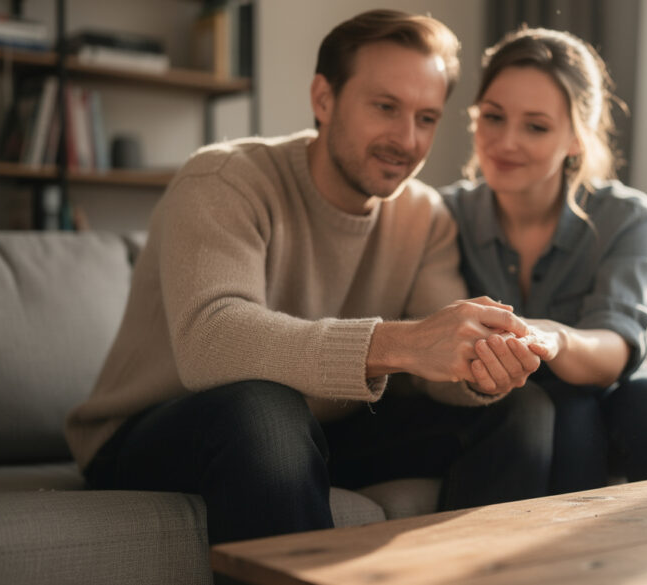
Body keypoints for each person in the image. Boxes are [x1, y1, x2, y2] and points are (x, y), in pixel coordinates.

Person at [64, 9, 552, 553]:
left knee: (519, 410)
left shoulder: (425, 216)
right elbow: (211, 340)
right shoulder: (224, 179)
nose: (406, 139)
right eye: (385, 107)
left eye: (426, 118)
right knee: (262, 408)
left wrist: (480, 368)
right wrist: (401, 343)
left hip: (313, 432)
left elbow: (435, 366)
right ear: (324, 99)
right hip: (156, 429)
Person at [442, 27, 647, 495]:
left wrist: (553, 337)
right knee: (566, 412)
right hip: (502, 405)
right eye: (493, 117)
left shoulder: (628, 217)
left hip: (608, 385)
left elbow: (616, 349)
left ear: (576, 139)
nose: (505, 142)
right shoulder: (444, 215)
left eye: (536, 126)